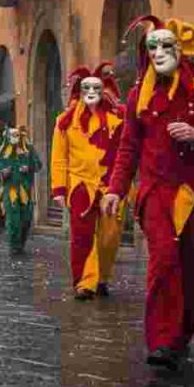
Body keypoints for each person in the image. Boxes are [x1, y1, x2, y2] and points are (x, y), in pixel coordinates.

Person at [103, 16, 194, 371]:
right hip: (157, 193)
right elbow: (128, 148)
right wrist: (116, 189)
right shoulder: (139, 96)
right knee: (163, 261)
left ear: (181, 51)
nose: (159, 53)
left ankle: (181, 335)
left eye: (167, 46)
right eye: (153, 46)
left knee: (192, 267)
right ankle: (162, 341)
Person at [52, 63, 127, 299]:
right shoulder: (65, 121)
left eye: (96, 87)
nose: (91, 92)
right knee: (81, 236)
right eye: (86, 88)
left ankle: (102, 277)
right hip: (80, 184)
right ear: (79, 91)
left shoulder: (118, 118)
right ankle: (84, 282)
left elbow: (127, 151)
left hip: (110, 185)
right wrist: (59, 188)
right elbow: (59, 157)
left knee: (110, 236)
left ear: (104, 89)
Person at [0, 126, 42, 255]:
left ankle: (21, 243)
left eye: (17, 135)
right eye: (13, 135)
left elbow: (38, 165)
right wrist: (2, 172)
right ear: (8, 137)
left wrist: (29, 168)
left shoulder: (27, 150)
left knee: (26, 218)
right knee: (13, 218)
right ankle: (14, 245)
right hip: (10, 190)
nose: (16, 138)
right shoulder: (1, 152)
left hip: (25, 190)